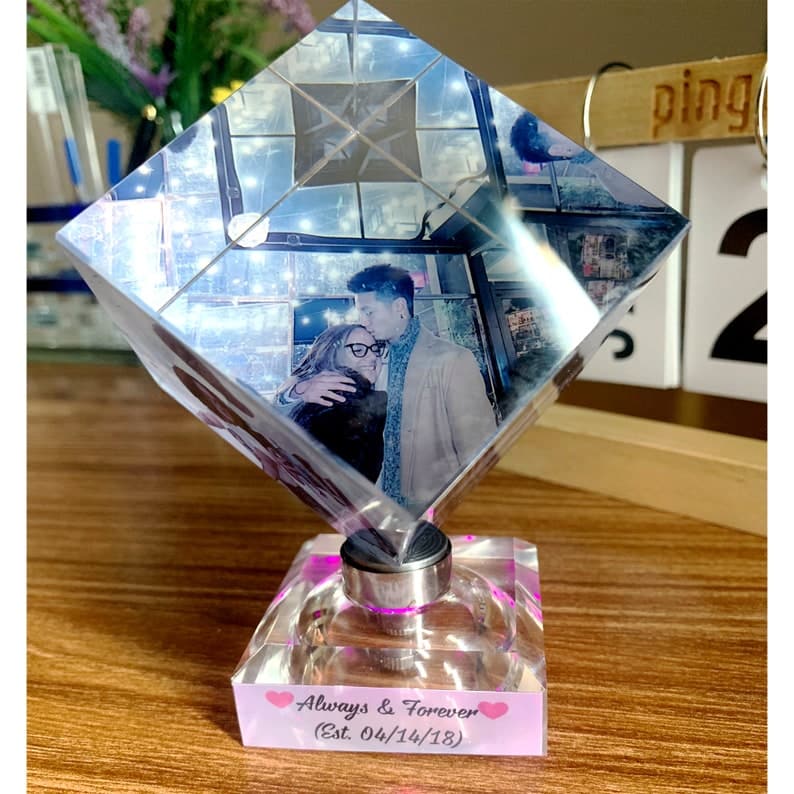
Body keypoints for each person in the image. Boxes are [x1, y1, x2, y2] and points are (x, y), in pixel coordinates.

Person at [275, 264, 497, 513]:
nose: (363, 321)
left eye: (368, 312)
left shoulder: (453, 359)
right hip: (376, 508)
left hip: (432, 507)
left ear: (399, 307)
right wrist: (298, 390)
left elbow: (479, 449)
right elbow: (300, 381)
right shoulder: (372, 357)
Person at [286, 324, 387, 484]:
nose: (372, 357)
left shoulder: (319, 399)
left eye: (375, 349)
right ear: (332, 354)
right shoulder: (346, 405)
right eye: (358, 349)